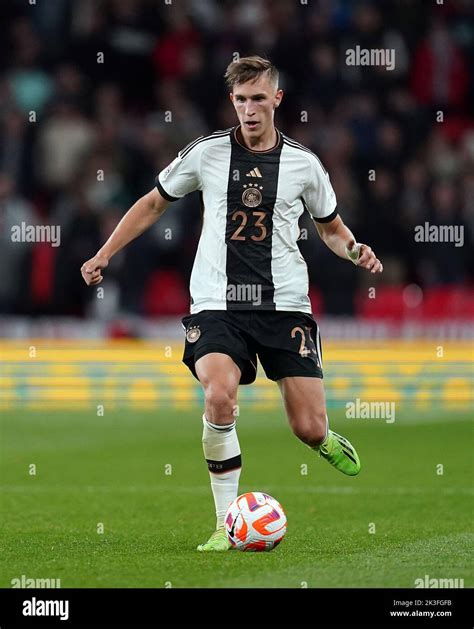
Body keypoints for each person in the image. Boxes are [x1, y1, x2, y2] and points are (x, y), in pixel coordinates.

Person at [81, 56, 383, 552]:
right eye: (241, 100)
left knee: (307, 428)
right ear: (232, 102)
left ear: (277, 100)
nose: (249, 109)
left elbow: (331, 228)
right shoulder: (206, 153)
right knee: (219, 394)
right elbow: (154, 202)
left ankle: (325, 439)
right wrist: (105, 253)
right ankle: (225, 524)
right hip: (217, 304)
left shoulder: (305, 164)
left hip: (284, 304)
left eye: (258, 98)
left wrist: (354, 249)